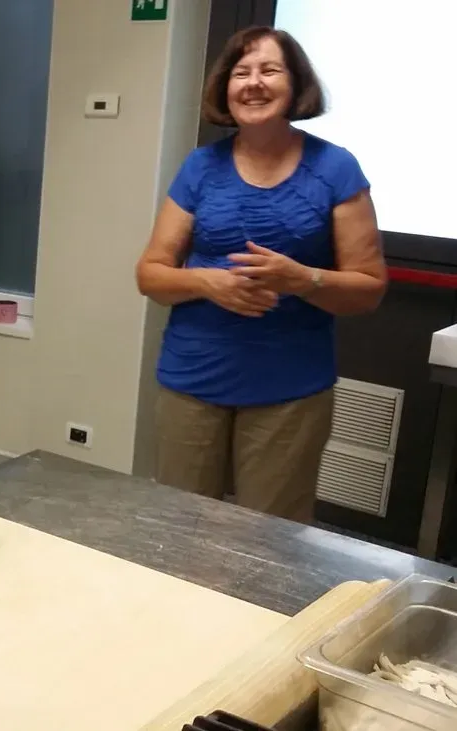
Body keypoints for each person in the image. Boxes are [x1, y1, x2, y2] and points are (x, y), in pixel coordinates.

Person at [135, 26, 387, 523]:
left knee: (271, 541)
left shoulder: (334, 168)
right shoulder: (201, 167)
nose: (253, 82)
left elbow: (369, 287)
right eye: (240, 72)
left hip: (289, 391)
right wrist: (207, 282)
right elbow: (151, 274)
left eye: (269, 70)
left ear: (296, 85)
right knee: (180, 528)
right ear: (225, 88)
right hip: (192, 380)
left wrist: (301, 279)